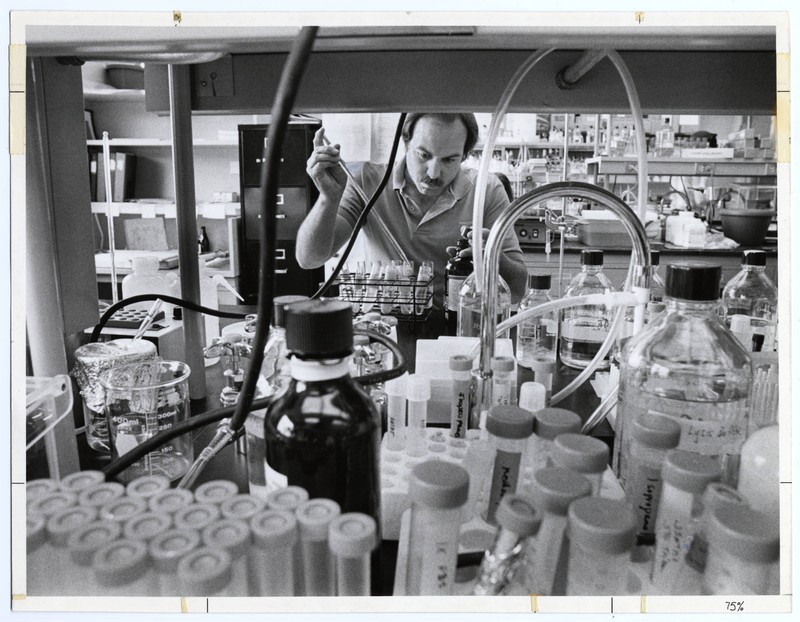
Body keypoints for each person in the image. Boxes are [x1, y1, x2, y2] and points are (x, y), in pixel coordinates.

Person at [296, 112, 528, 310]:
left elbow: (517, 291)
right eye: (424, 155)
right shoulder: (365, 182)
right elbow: (309, 259)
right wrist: (328, 198)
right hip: (385, 325)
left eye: (449, 160)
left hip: (457, 326)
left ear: (465, 156)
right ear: (406, 142)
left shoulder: (486, 191)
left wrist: (492, 256)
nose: (434, 173)